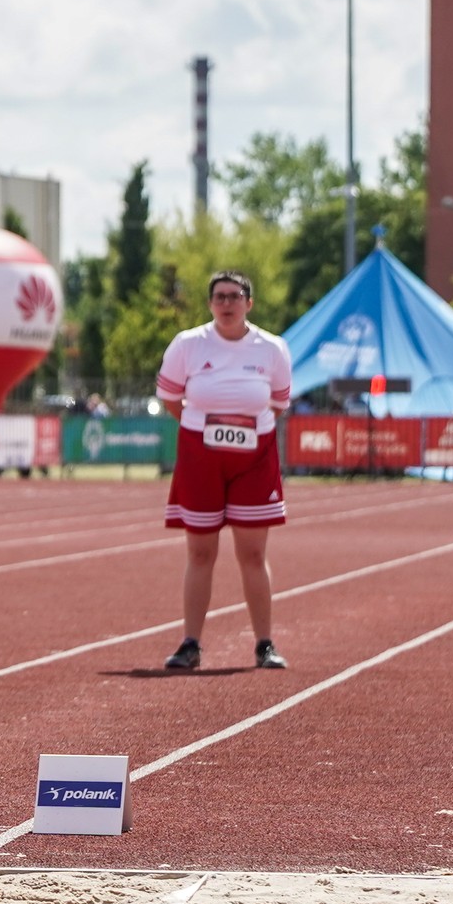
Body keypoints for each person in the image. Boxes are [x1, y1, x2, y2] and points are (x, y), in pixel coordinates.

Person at [155, 270, 293, 671]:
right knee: (200, 551)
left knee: (253, 552)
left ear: (249, 303)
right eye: (220, 297)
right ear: (210, 304)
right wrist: (204, 428)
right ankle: (190, 644)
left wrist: (240, 427)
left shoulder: (272, 348)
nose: (227, 304)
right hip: (200, 455)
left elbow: (278, 402)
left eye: (234, 296)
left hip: (255, 457)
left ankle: (264, 644)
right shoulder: (188, 344)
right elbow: (170, 398)